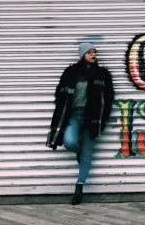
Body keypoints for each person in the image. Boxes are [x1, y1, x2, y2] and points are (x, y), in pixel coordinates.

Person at [46, 41, 114, 205]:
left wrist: (102, 119)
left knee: (87, 155)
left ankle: (79, 188)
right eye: (89, 52)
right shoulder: (70, 73)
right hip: (73, 115)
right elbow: (60, 96)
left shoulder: (102, 74)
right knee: (69, 142)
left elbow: (109, 98)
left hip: (91, 117)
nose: (93, 55)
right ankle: (78, 151)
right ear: (82, 54)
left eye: (94, 52)